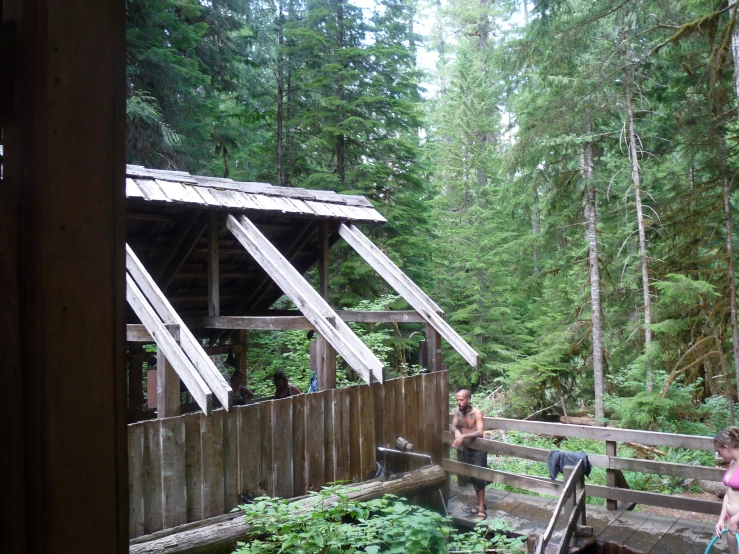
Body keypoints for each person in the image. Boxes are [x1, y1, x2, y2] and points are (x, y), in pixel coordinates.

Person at [451, 389, 487, 520]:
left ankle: (482, 508)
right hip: (466, 448)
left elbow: (480, 432)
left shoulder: (476, 413)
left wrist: (463, 436)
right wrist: (457, 433)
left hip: (478, 448)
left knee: (479, 477)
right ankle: (479, 503)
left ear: (468, 400)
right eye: (457, 400)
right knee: (472, 476)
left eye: (461, 400)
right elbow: (453, 427)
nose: (459, 402)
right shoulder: (457, 411)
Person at [716, 427, 739, 553]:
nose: (719, 456)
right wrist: (721, 519)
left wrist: (736, 518)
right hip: (732, 524)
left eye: (719, 452)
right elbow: (728, 494)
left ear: (726, 447)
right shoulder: (732, 464)